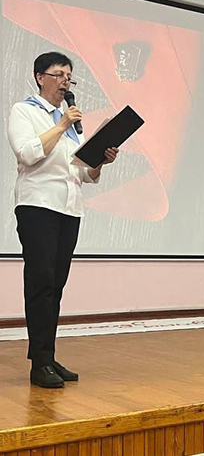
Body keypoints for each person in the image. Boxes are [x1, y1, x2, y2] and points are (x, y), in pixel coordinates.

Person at [7, 51, 119, 388]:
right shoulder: (25, 111)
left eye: (69, 77)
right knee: (40, 283)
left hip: (69, 209)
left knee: (55, 285)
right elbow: (27, 153)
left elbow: (83, 174)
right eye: (59, 75)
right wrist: (61, 125)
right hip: (38, 206)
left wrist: (100, 161)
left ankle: (49, 356)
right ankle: (39, 363)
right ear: (40, 77)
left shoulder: (71, 125)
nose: (65, 82)